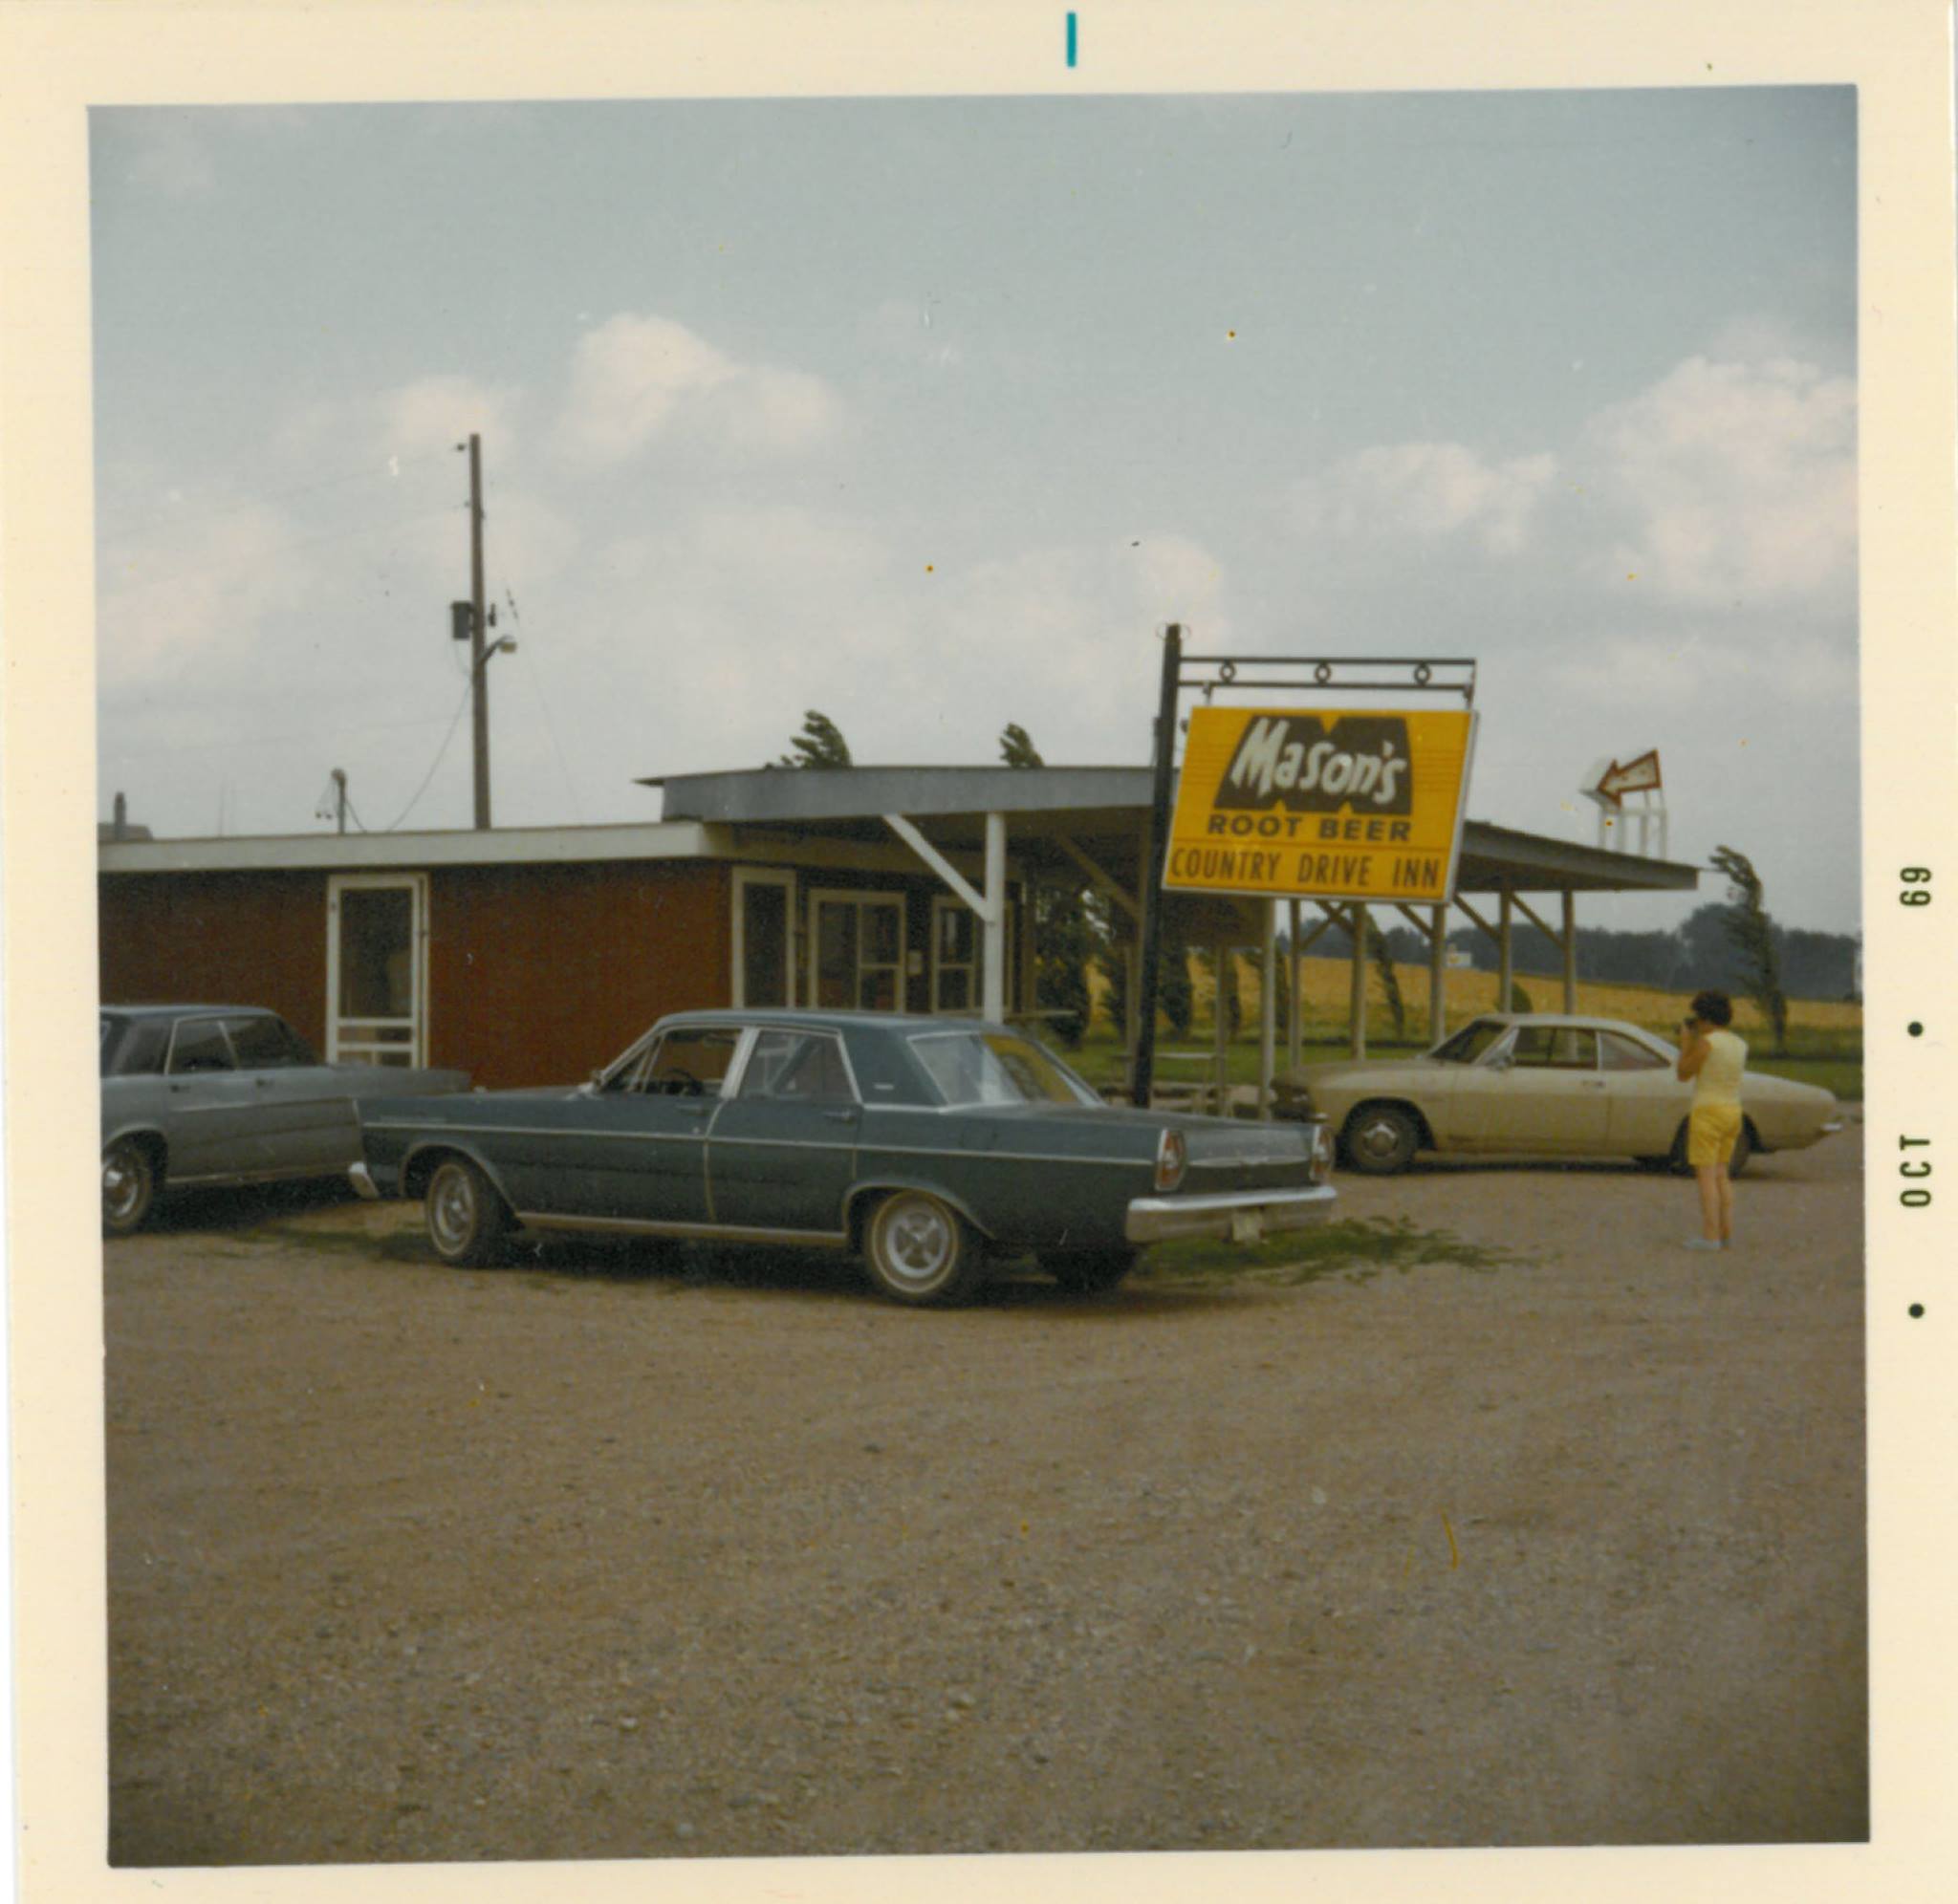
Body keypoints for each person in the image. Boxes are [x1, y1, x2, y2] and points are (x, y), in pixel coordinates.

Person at [1675, 988, 1748, 1250]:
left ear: (1704, 1017)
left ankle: (1710, 1236)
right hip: (1732, 1110)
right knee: (1721, 1175)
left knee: (1705, 1177)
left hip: (1708, 1111)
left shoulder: (1707, 1043)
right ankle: (1726, 1232)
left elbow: (1683, 1073)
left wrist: (1685, 1043)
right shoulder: (1739, 1045)